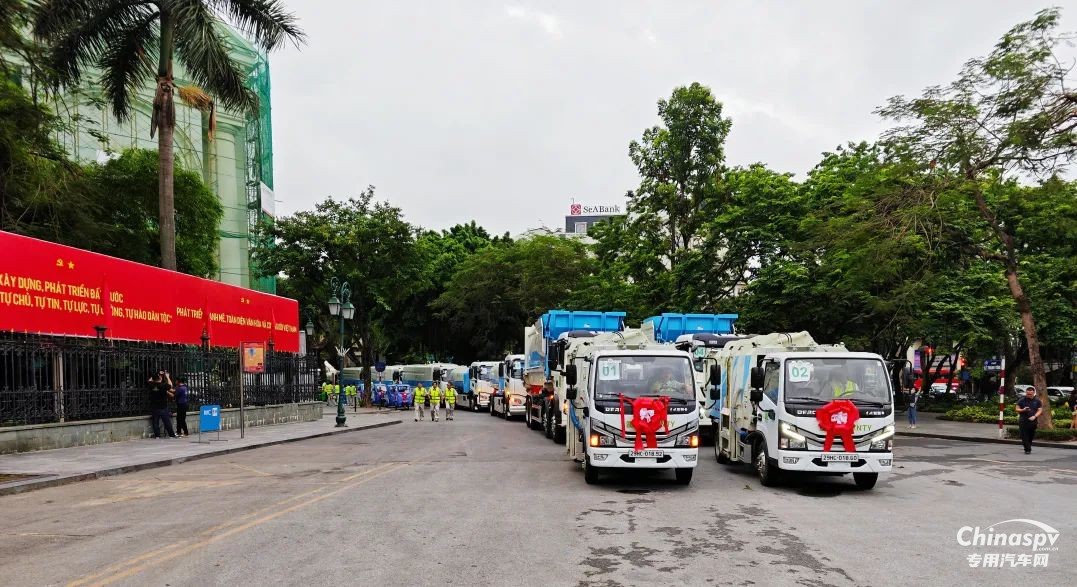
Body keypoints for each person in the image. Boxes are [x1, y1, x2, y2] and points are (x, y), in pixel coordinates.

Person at [148, 371, 176, 439]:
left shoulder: (151, 385)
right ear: (160, 378)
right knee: (166, 422)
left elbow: (150, 380)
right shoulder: (163, 385)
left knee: (155, 422)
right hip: (163, 407)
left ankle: (157, 435)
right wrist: (167, 377)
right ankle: (171, 435)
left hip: (154, 406)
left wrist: (156, 374)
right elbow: (170, 385)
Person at [1016, 386, 1043, 454]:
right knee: (1024, 435)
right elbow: (1017, 409)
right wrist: (1023, 410)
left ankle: (1028, 446)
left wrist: (1035, 416)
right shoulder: (1021, 400)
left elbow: (1040, 410)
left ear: (1034, 393)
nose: (1029, 395)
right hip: (1023, 420)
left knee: (1031, 435)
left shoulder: (1037, 401)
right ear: (1026, 393)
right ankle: (1027, 449)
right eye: (1027, 394)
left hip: (1033, 421)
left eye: (1030, 394)